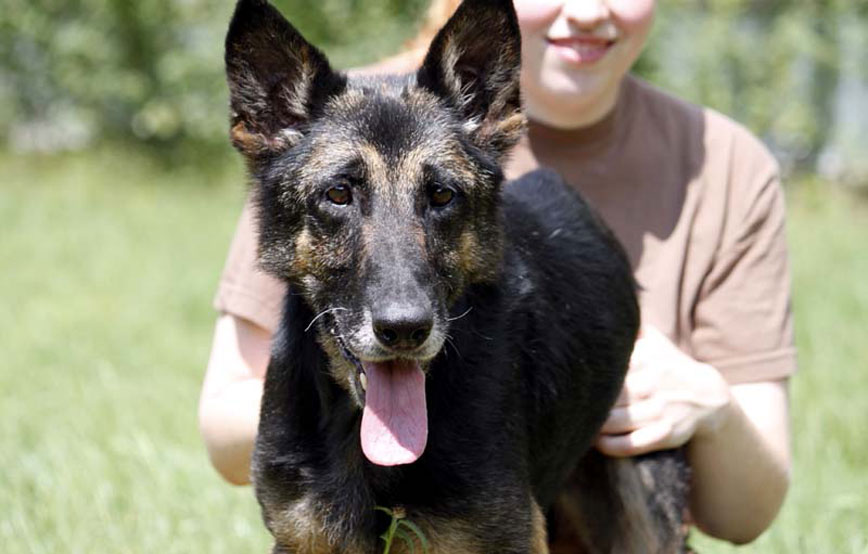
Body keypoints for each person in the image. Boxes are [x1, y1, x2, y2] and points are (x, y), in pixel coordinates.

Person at [199, 0, 794, 545]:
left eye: (440, 198)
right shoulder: (323, 126)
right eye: (338, 196)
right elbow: (230, 435)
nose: (586, 11)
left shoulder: (728, 166)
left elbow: (750, 511)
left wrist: (712, 405)